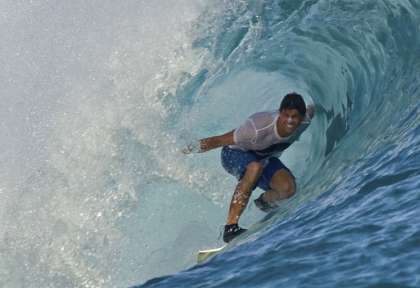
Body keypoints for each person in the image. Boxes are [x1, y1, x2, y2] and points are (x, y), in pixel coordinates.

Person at [183, 92, 314, 243]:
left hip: (263, 158)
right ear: (280, 113)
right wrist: (184, 150)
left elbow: (313, 106)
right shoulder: (257, 127)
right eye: (286, 115)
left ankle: (264, 203)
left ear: (302, 117)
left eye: (295, 116)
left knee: (288, 188)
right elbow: (218, 140)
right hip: (233, 153)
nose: (290, 121)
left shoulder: (306, 120)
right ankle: (231, 228)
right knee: (254, 168)